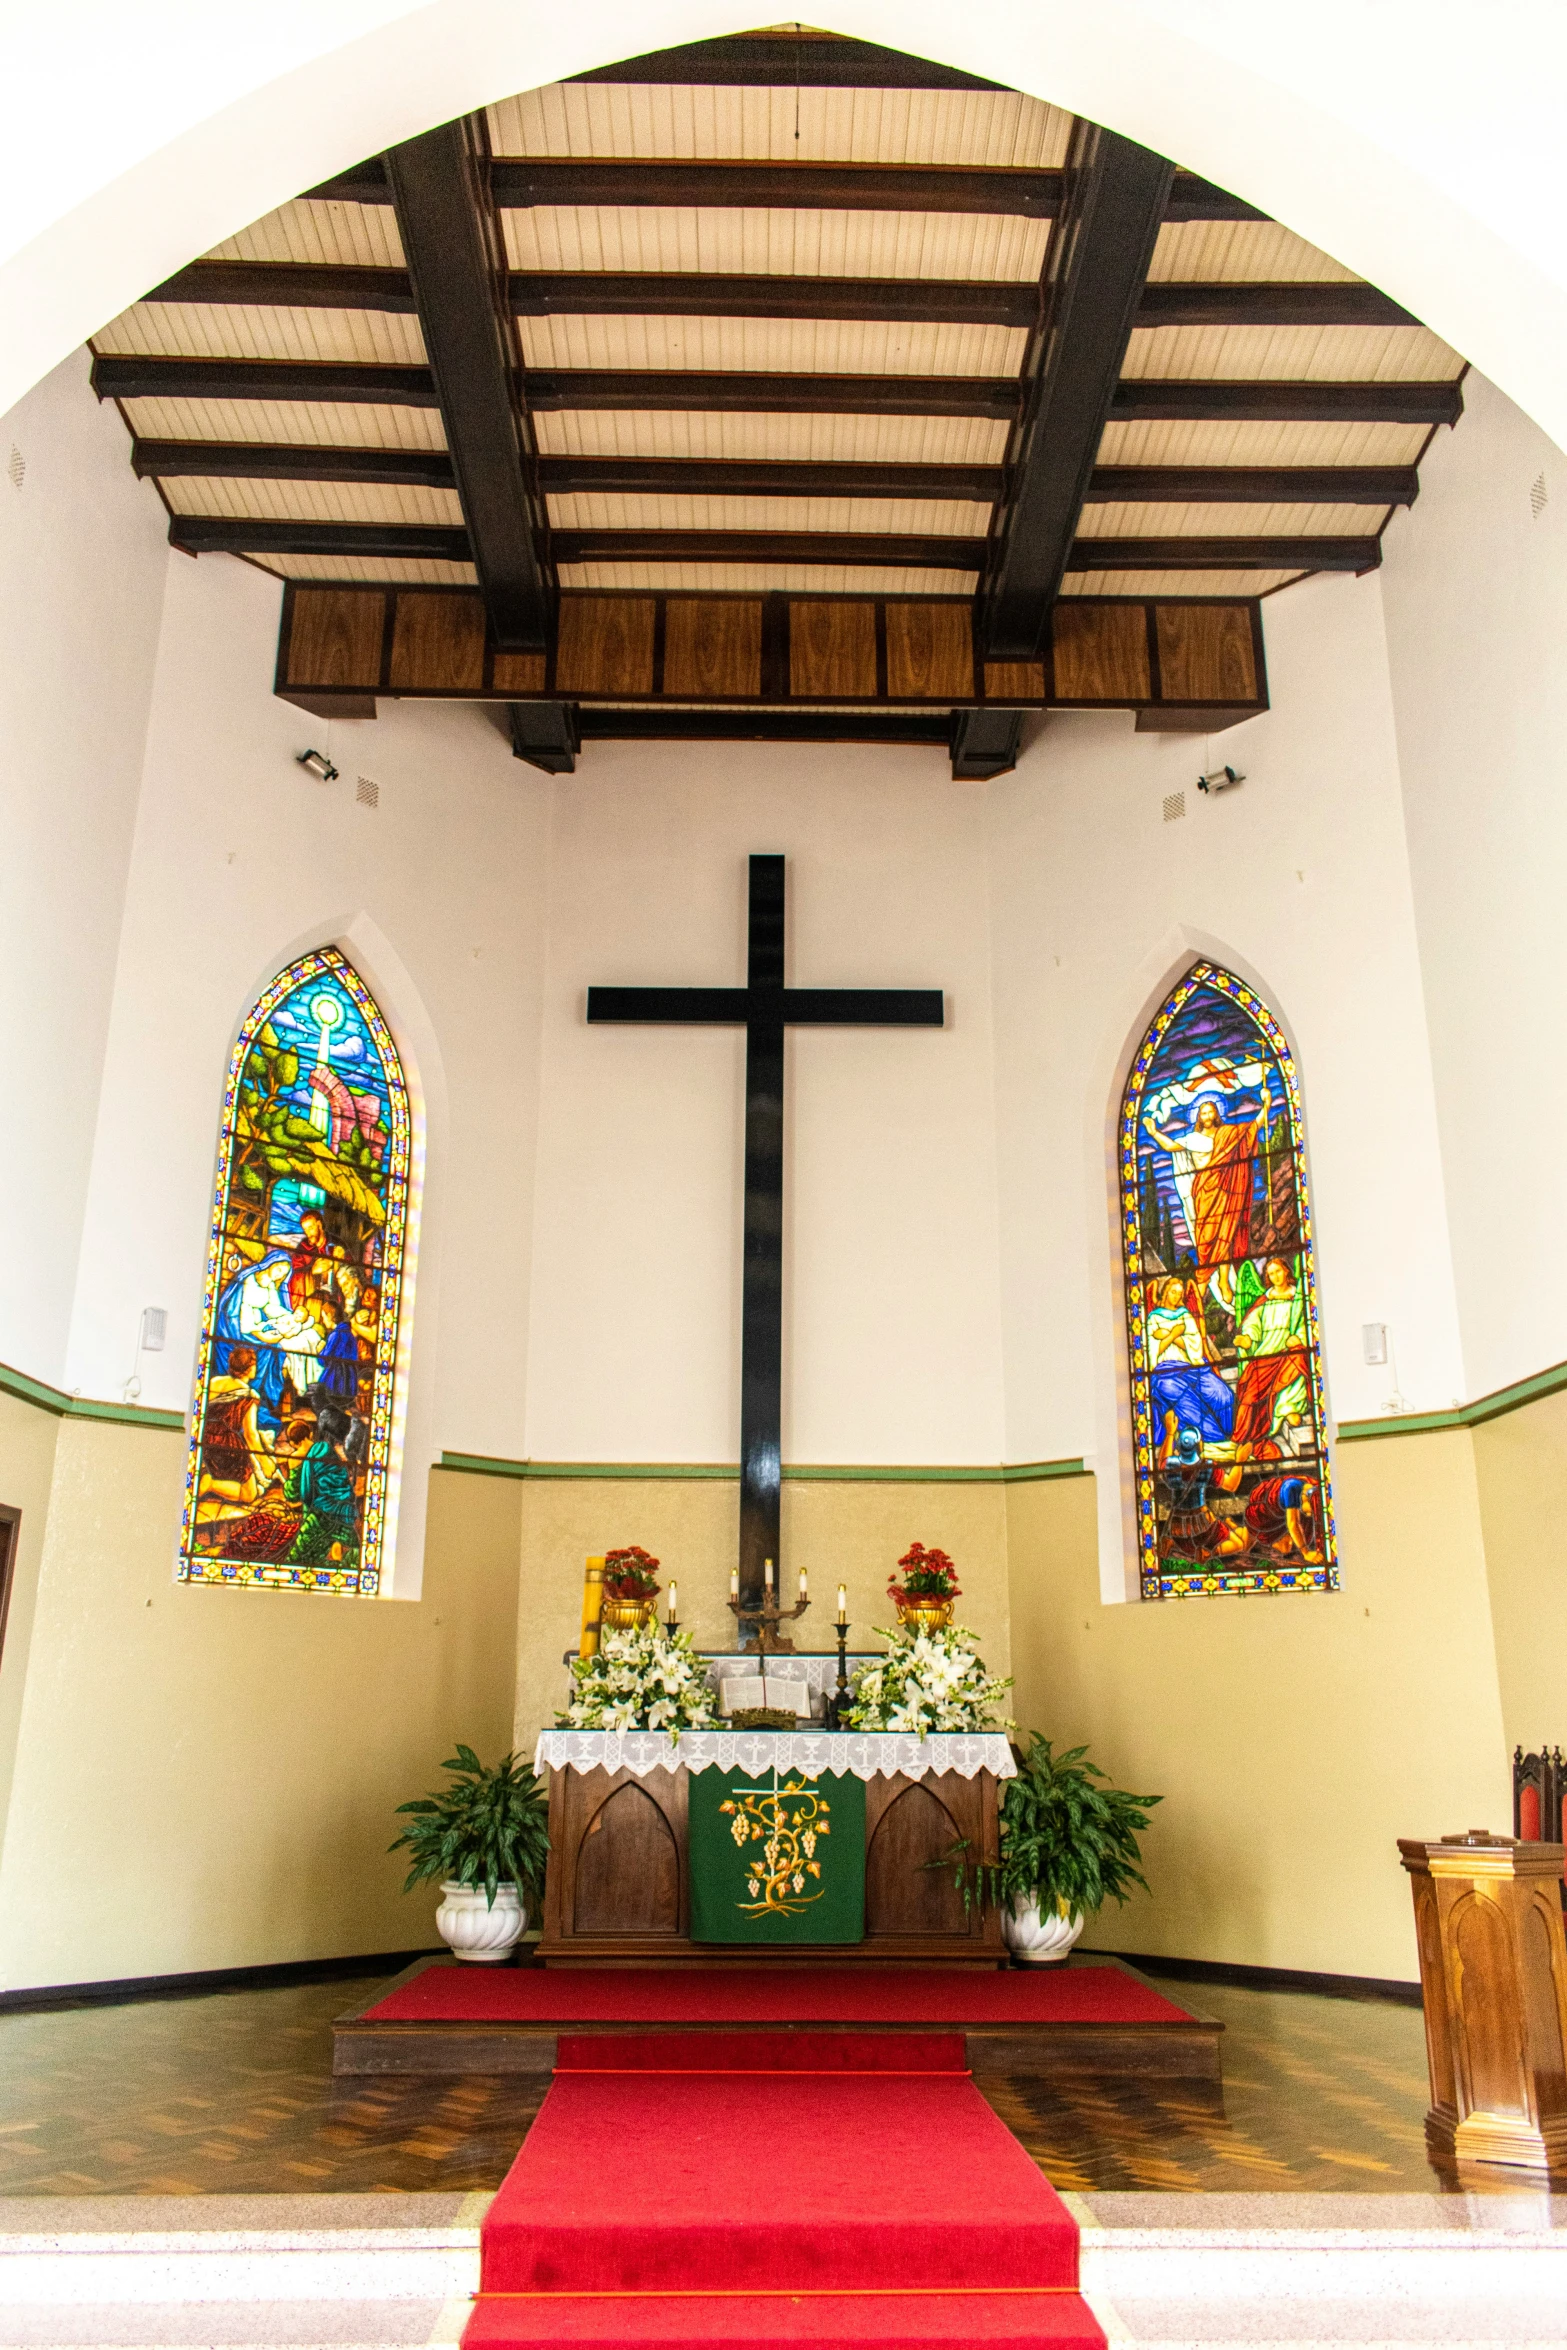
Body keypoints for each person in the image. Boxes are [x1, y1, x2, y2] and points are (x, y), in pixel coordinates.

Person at [1146, 1093, 1266, 1269]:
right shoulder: (1193, 1138)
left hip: (1226, 1188)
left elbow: (1252, 1129)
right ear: (1198, 1117)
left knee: (1224, 1232)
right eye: (1203, 1113)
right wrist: (1153, 1132)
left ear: (1217, 1114)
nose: (1207, 1116)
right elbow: (1170, 1146)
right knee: (1207, 1236)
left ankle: (1225, 1279)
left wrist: (1267, 1105)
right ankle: (1212, 1273)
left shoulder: (1228, 1134)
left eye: (1211, 1112)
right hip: (1203, 1190)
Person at [1233, 1256, 1312, 1451]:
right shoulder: (1265, 1300)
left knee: (1297, 1358)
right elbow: (1253, 1323)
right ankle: (1245, 1440)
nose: (1275, 1276)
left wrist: (1299, 1337)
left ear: (1286, 1271)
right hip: (1266, 1354)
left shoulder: (1298, 1298)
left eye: (1278, 1271)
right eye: (1271, 1274)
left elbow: (1307, 1323)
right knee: (1250, 1396)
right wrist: (1248, 1338)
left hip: (1287, 1350)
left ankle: (1288, 1407)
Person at [1146, 1276, 1236, 1447]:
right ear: (1165, 1292)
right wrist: (1176, 1333)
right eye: (1173, 1292)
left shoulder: (1185, 1315)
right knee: (1189, 1403)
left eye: (1179, 1294)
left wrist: (1168, 1334)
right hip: (1165, 1372)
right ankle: (1216, 1442)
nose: (1176, 1297)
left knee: (1223, 1395)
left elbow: (1195, 1346)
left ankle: (1228, 1435)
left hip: (1192, 1366)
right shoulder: (1153, 1318)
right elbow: (1154, 1350)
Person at [194, 1343, 273, 1521]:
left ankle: (209, 1480)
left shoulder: (213, 1383)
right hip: (227, 1447)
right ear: (250, 1368)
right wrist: (264, 1460)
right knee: (249, 1494)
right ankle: (210, 1484)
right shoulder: (248, 1395)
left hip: (204, 1440)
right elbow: (250, 1434)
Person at [1156, 1423, 1250, 1564]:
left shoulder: (1171, 1465)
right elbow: (1232, 1485)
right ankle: (1208, 1553)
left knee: (1191, 1542)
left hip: (1177, 1528)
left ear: (1179, 1446)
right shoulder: (1208, 1467)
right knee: (1239, 1544)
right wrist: (1240, 1460)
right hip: (1203, 1526)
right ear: (1199, 1446)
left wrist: (1170, 1432)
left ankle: (1172, 1543)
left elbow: (1162, 1461)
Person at [281, 1403, 360, 1569]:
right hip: (344, 1509)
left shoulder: (295, 1459)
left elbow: (293, 1494)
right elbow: (340, 1479)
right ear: (310, 1434)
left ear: (293, 1443)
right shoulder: (325, 1449)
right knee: (356, 1554)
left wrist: (288, 1481)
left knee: (296, 1562)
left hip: (320, 1515)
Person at [1244, 1471, 1325, 1565]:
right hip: (1264, 1513)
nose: (1308, 1514)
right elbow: (1293, 1523)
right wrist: (1306, 1553)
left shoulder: (1315, 1490)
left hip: (1281, 1515)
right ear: (1305, 1498)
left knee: (1287, 1547)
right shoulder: (1291, 1488)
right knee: (1255, 1530)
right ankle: (1245, 1553)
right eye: (1309, 1511)